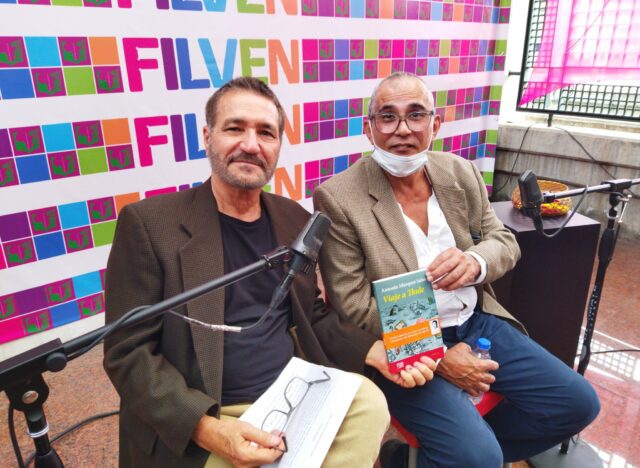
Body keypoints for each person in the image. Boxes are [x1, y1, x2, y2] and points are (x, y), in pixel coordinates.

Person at [313, 72, 600, 467]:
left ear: (436, 124)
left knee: (578, 404)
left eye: (416, 115)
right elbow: (352, 302)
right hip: (402, 344)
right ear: (369, 128)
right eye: (388, 117)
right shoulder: (339, 197)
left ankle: (435, 458)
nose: (402, 129)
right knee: (477, 457)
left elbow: (504, 241)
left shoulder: (459, 172)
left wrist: (475, 261)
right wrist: (437, 354)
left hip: (475, 323)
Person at [103, 77, 390, 468]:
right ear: (208, 136)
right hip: (212, 411)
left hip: (290, 393)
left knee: (370, 403)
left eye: (266, 133)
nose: (251, 145)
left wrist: (374, 350)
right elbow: (128, 352)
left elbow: (313, 314)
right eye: (235, 128)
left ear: (278, 146)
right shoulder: (150, 224)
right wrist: (207, 428)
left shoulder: (293, 219)